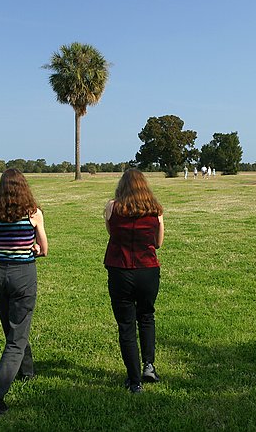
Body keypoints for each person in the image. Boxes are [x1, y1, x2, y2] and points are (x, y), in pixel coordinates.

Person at [0, 169, 48, 418]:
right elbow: (44, 249)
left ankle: (26, 370)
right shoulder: (33, 213)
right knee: (16, 338)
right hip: (23, 273)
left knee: (13, 329)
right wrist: (31, 245)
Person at [103, 168, 164, 394]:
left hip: (120, 270)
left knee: (126, 325)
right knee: (146, 316)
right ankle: (149, 365)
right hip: (148, 269)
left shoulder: (112, 207)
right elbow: (158, 242)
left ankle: (134, 380)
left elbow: (112, 233)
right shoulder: (155, 210)